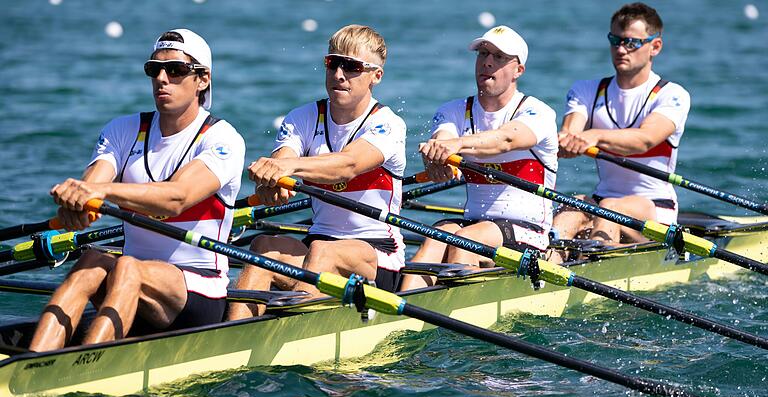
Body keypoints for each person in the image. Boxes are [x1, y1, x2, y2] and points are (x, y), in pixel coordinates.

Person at [29, 29, 246, 351]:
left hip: (199, 291)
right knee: (90, 261)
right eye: (153, 69)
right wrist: (77, 206)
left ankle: (90, 367)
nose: (162, 78)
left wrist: (100, 191)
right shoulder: (123, 129)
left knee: (127, 266)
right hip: (130, 283)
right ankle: (35, 360)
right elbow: (92, 188)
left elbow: (176, 198)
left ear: (202, 79)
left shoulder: (222, 139)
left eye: (175, 70)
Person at [227, 24, 406, 319]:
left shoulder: (387, 124)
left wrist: (289, 167)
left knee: (324, 251)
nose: (339, 74)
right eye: (332, 63)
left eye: (352, 67)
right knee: (264, 247)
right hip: (318, 242)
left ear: (376, 76)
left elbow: (347, 165)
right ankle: (233, 338)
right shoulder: (303, 117)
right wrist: (271, 182)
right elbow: (282, 160)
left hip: (378, 253)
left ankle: (294, 335)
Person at [399, 25, 558, 291]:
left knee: (466, 240)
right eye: (483, 53)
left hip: (529, 231)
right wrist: (437, 159)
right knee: (436, 237)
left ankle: (461, 323)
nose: (487, 62)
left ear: (518, 70)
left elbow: (506, 139)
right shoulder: (454, 110)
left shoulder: (537, 112)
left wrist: (456, 145)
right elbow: (443, 137)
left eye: (499, 57)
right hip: (475, 224)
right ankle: (402, 308)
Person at [551, 2, 690, 261]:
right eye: (614, 40)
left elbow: (644, 139)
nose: (620, 49)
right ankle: (548, 263)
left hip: (654, 209)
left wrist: (595, 136)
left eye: (631, 43)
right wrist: (565, 143)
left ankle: (595, 275)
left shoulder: (671, 95)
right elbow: (570, 133)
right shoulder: (587, 90)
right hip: (603, 199)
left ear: (655, 47)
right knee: (571, 209)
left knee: (609, 209)